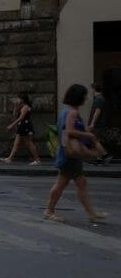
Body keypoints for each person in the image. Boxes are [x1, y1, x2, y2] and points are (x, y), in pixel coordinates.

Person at [44, 84, 110, 222]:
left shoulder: (65, 111)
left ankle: (91, 213)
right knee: (62, 184)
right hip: (70, 154)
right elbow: (69, 131)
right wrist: (89, 136)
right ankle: (49, 211)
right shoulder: (72, 113)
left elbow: (64, 132)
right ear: (78, 97)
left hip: (67, 152)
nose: (86, 98)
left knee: (80, 183)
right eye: (84, 95)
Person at [0, 93, 42, 165]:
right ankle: (10, 158)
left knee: (29, 143)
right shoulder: (21, 107)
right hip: (22, 126)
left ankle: (37, 160)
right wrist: (15, 107)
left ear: (22, 100)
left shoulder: (25, 107)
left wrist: (12, 125)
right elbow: (15, 115)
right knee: (16, 143)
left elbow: (21, 118)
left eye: (18, 98)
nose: (17, 100)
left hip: (25, 126)